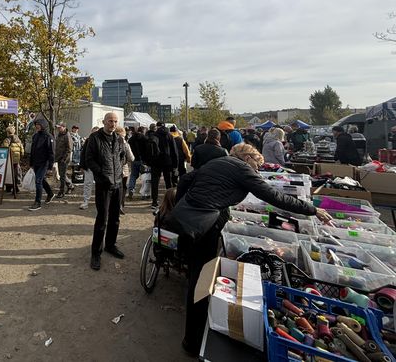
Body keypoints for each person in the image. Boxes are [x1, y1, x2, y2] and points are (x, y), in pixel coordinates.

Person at [163, 143, 332, 355]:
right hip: (203, 227)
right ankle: (193, 341)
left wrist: (185, 204)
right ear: (247, 158)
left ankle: (193, 336)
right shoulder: (242, 169)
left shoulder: (218, 162)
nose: (258, 170)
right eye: (257, 164)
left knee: (195, 276)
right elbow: (274, 197)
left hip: (187, 222)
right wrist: (312, 210)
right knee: (200, 280)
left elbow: (187, 179)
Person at [84, 112, 127, 270]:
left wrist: (118, 172)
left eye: (115, 121)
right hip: (103, 185)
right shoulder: (94, 138)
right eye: (110, 121)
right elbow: (89, 159)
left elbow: (122, 156)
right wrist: (102, 174)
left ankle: (110, 245)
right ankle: (96, 253)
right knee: (102, 219)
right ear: (104, 122)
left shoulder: (119, 139)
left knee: (115, 218)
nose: (113, 124)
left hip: (117, 184)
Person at [150, 122, 178, 211]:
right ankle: (170, 201)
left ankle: (154, 201)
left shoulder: (154, 135)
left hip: (155, 162)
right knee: (168, 182)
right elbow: (174, 151)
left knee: (155, 182)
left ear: (157, 126)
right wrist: (175, 165)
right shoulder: (169, 135)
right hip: (167, 161)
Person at [28, 119, 55, 211]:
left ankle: (37, 202)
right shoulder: (35, 136)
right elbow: (32, 150)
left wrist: (50, 166)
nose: (37, 126)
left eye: (39, 124)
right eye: (36, 124)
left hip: (44, 163)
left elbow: (51, 152)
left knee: (38, 181)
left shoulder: (48, 137)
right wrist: (31, 163)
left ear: (43, 125)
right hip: (36, 162)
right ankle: (50, 193)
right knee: (41, 180)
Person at [78, 127, 99, 210]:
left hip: (99, 167)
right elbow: (83, 154)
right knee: (87, 184)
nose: (94, 134)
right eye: (93, 133)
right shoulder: (88, 141)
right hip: (89, 166)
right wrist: (82, 166)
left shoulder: (103, 141)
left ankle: (100, 201)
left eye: (96, 132)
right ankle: (86, 201)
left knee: (100, 185)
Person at [115, 126, 135, 215]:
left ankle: (113, 205)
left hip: (113, 169)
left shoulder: (111, 142)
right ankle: (120, 205)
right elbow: (131, 158)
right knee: (122, 188)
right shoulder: (125, 144)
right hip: (123, 168)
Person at [1, 125, 24, 193]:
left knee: (8, 173)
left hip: (9, 160)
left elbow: (5, 149)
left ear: (8, 132)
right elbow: (22, 150)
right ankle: (15, 188)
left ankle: (9, 188)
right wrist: (20, 156)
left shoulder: (7, 140)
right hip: (16, 160)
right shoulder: (18, 140)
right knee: (15, 174)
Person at [54, 122, 74, 198]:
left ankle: (61, 191)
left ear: (64, 127)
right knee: (62, 175)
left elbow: (69, 149)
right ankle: (70, 185)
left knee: (62, 176)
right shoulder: (59, 135)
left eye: (60, 127)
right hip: (59, 158)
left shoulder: (67, 136)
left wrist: (64, 159)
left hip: (64, 159)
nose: (58, 129)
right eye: (58, 127)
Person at [127, 126, 147, 198]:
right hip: (143, 160)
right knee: (145, 177)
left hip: (134, 160)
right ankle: (144, 193)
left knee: (133, 175)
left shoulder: (131, 139)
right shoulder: (145, 138)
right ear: (143, 131)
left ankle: (131, 189)